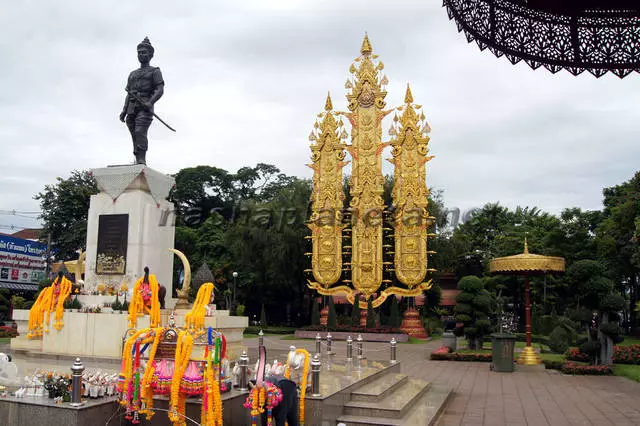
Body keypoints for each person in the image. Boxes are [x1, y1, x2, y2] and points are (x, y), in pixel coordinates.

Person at [119, 37, 164, 165]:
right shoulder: (132, 74)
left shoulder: (155, 71)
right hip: (131, 107)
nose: (141, 54)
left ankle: (141, 159)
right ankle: (136, 154)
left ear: (150, 55)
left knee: (140, 131)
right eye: (139, 52)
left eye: (144, 52)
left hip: (145, 106)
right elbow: (129, 93)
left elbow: (160, 90)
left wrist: (150, 102)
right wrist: (124, 110)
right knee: (134, 132)